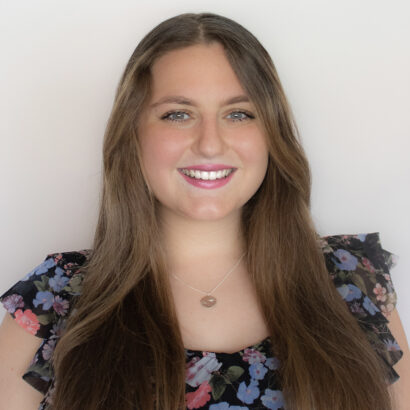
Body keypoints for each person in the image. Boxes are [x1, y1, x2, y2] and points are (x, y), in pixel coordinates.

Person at [0, 11, 408, 410]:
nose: (210, 144)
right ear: (132, 134)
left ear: (271, 134)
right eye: (178, 114)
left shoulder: (352, 285)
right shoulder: (54, 300)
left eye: (239, 114)